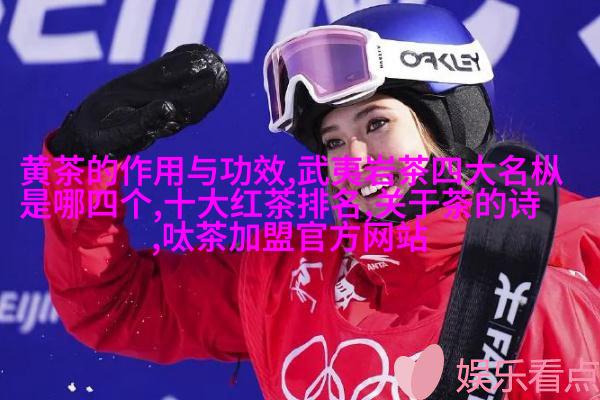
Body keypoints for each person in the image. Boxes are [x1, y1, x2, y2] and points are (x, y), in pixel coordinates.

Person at [42, 4, 599, 400]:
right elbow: (114, 307)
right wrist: (81, 167)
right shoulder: (288, 275)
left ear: (453, 121)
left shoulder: (565, 258)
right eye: (333, 141)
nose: (353, 160)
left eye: (376, 124)